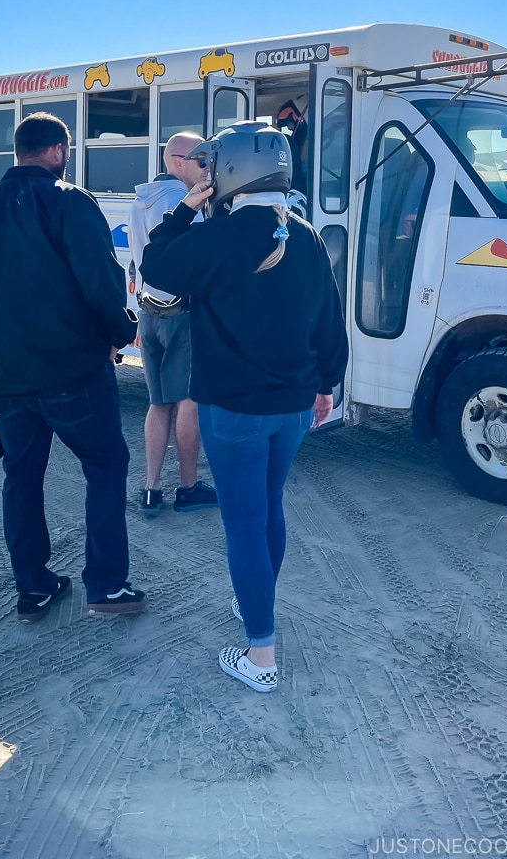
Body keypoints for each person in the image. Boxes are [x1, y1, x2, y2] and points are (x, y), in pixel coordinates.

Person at [140, 121, 348, 693]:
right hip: (293, 407)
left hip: (233, 409)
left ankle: (260, 655)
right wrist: (327, 384)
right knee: (268, 508)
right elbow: (329, 324)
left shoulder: (222, 235)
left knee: (243, 522)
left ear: (230, 171)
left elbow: (156, 263)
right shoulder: (304, 232)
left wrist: (186, 208)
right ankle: (255, 601)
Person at [0, 112, 145, 623]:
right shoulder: (69, 201)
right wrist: (124, 332)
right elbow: (100, 280)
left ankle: (33, 589)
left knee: (21, 476)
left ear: (18, 151)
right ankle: (105, 585)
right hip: (72, 373)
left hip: (4, 380)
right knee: (104, 467)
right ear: (58, 150)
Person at [127, 133, 219, 517]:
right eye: (201, 160)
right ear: (177, 161)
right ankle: (187, 487)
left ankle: (150, 488)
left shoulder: (140, 199)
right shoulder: (181, 203)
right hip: (181, 314)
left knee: (157, 403)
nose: (207, 168)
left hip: (148, 313)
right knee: (187, 402)